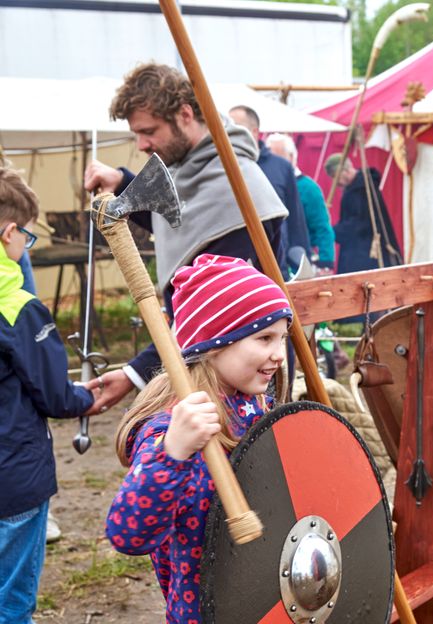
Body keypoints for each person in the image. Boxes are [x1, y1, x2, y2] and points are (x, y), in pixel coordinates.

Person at [82, 63, 288, 414]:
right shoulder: (194, 168)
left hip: (237, 382)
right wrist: (121, 181)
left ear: (185, 114)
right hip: (210, 371)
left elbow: (216, 314)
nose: (141, 144)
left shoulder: (235, 186)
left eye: (149, 131)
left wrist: (135, 374)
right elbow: (181, 220)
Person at [106, 254, 291, 623]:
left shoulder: (257, 406)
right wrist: (173, 452)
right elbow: (129, 535)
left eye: (283, 338)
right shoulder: (170, 430)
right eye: (265, 337)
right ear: (216, 342)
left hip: (271, 599)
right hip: (206, 612)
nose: (279, 354)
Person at [0, 167, 97, 623]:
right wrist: (85, 396)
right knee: (12, 602)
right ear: (9, 233)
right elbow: (56, 396)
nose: (27, 249)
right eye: (28, 239)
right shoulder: (18, 306)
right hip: (13, 481)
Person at [228, 106, 312, 273]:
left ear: (254, 132)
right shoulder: (223, 167)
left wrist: (303, 262)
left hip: (276, 266)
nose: (228, 133)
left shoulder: (281, 167)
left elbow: (295, 219)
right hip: (237, 268)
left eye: (235, 127)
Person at [267, 132, 335, 271]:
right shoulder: (266, 185)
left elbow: (322, 226)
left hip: (299, 259)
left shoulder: (308, 188)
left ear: (291, 158)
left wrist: (325, 263)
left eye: (278, 157)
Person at [324, 153, 402, 275]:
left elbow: (358, 224)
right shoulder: (356, 188)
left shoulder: (361, 189)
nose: (335, 182)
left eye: (335, 177)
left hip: (366, 255)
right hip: (362, 252)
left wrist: (332, 232)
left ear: (344, 171)